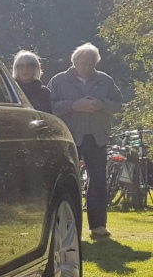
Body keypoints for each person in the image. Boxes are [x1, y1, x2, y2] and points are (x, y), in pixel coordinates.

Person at [48, 43, 123, 238]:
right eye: (83, 63)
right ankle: (66, 226)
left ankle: (98, 226)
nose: (87, 67)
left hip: (97, 137)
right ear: (74, 62)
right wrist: (74, 106)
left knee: (98, 181)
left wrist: (101, 104)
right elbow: (48, 107)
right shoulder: (58, 80)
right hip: (69, 137)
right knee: (66, 181)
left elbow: (118, 104)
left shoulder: (105, 80)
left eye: (91, 63)